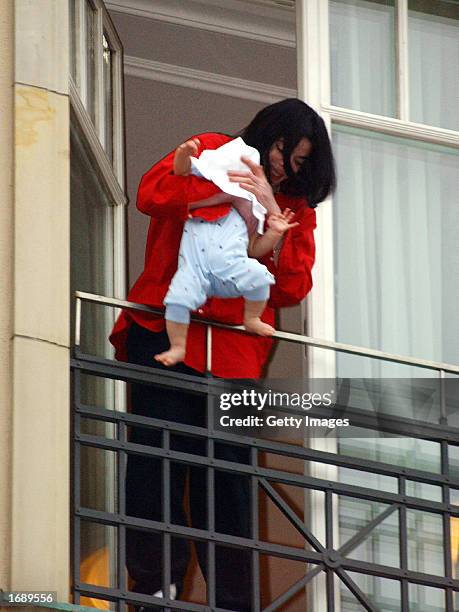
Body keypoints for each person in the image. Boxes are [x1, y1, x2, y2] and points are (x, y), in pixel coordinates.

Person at [109, 98, 336, 611]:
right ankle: (151, 586)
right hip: (166, 330)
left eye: (298, 162)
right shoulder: (213, 149)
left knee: (229, 483)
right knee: (156, 458)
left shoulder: (296, 207)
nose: (283, 165)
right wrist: (230, 188)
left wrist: (273, 216)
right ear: (267, 133)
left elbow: (293, 286)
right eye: (282, 149)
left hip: (234, 355)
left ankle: (234, 602)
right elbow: (151, 194)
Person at [155, 136, 301, 366]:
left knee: (260, 276)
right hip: (194, 270)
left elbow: (254, 249)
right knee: (177, 301)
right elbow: (182, 171)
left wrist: (275, 232)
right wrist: (183, 154)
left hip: (229, 270)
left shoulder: (251, 211)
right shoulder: (203, 197)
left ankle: (251, 317)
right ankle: (178, 346)